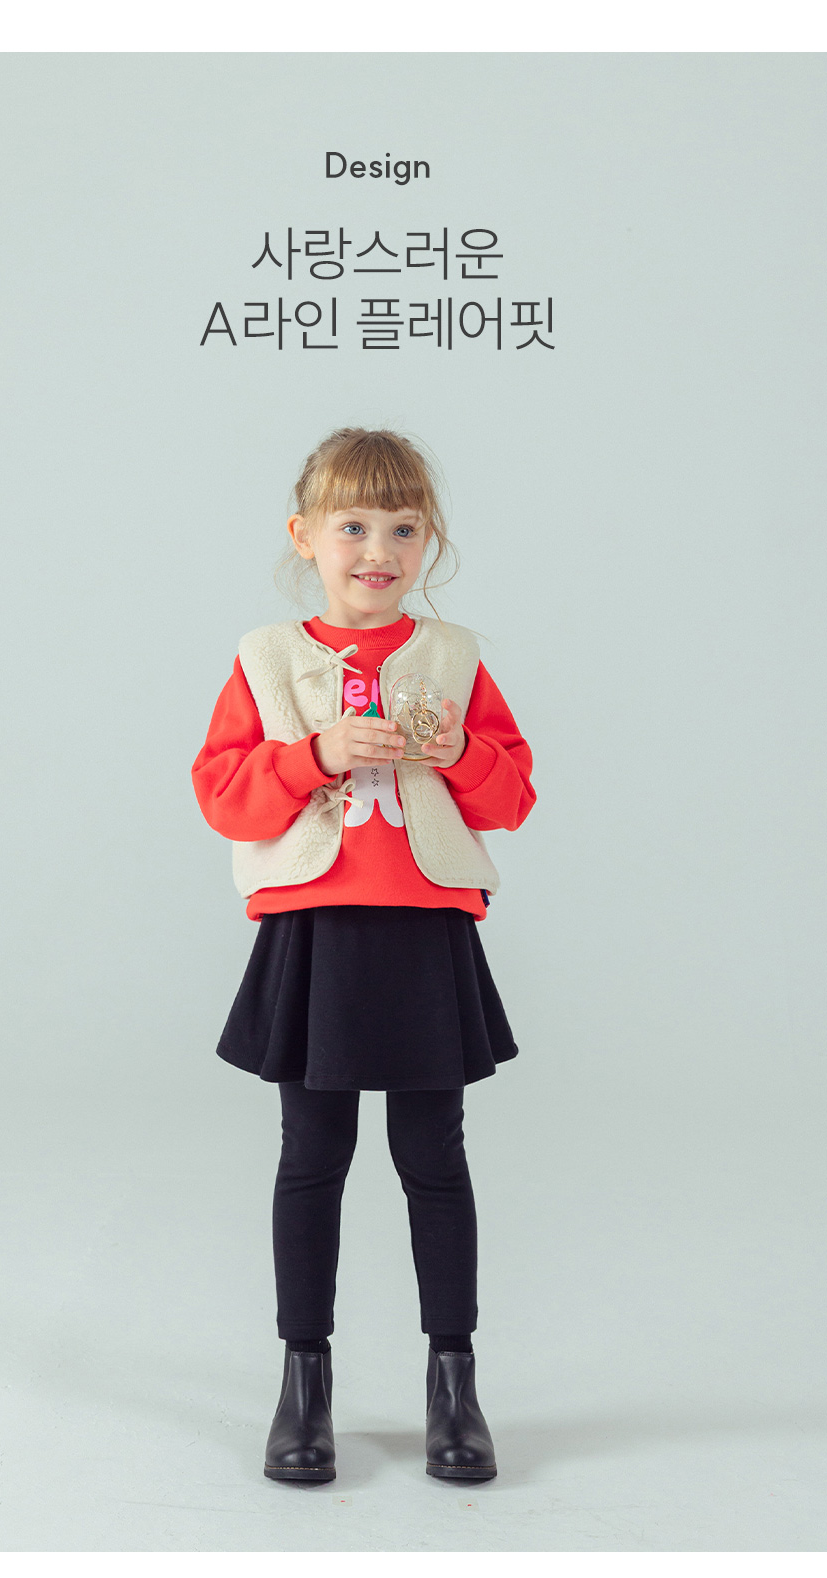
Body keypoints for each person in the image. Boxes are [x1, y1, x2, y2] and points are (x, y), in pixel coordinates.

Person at [191, 426, 536, 1484]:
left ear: (429, 539)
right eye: (352, 526)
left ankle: (453, 1381)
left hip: (425, 928)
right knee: (312, 1154)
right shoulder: (266, 656)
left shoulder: (454, 656)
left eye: (402, 528)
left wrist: (460, 749)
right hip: (317, 932)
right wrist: (315, 754)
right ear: (305, 535)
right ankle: (304, 1381)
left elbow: (513, 793)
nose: (378, 551)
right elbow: (222, 793)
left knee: (434, 1155)